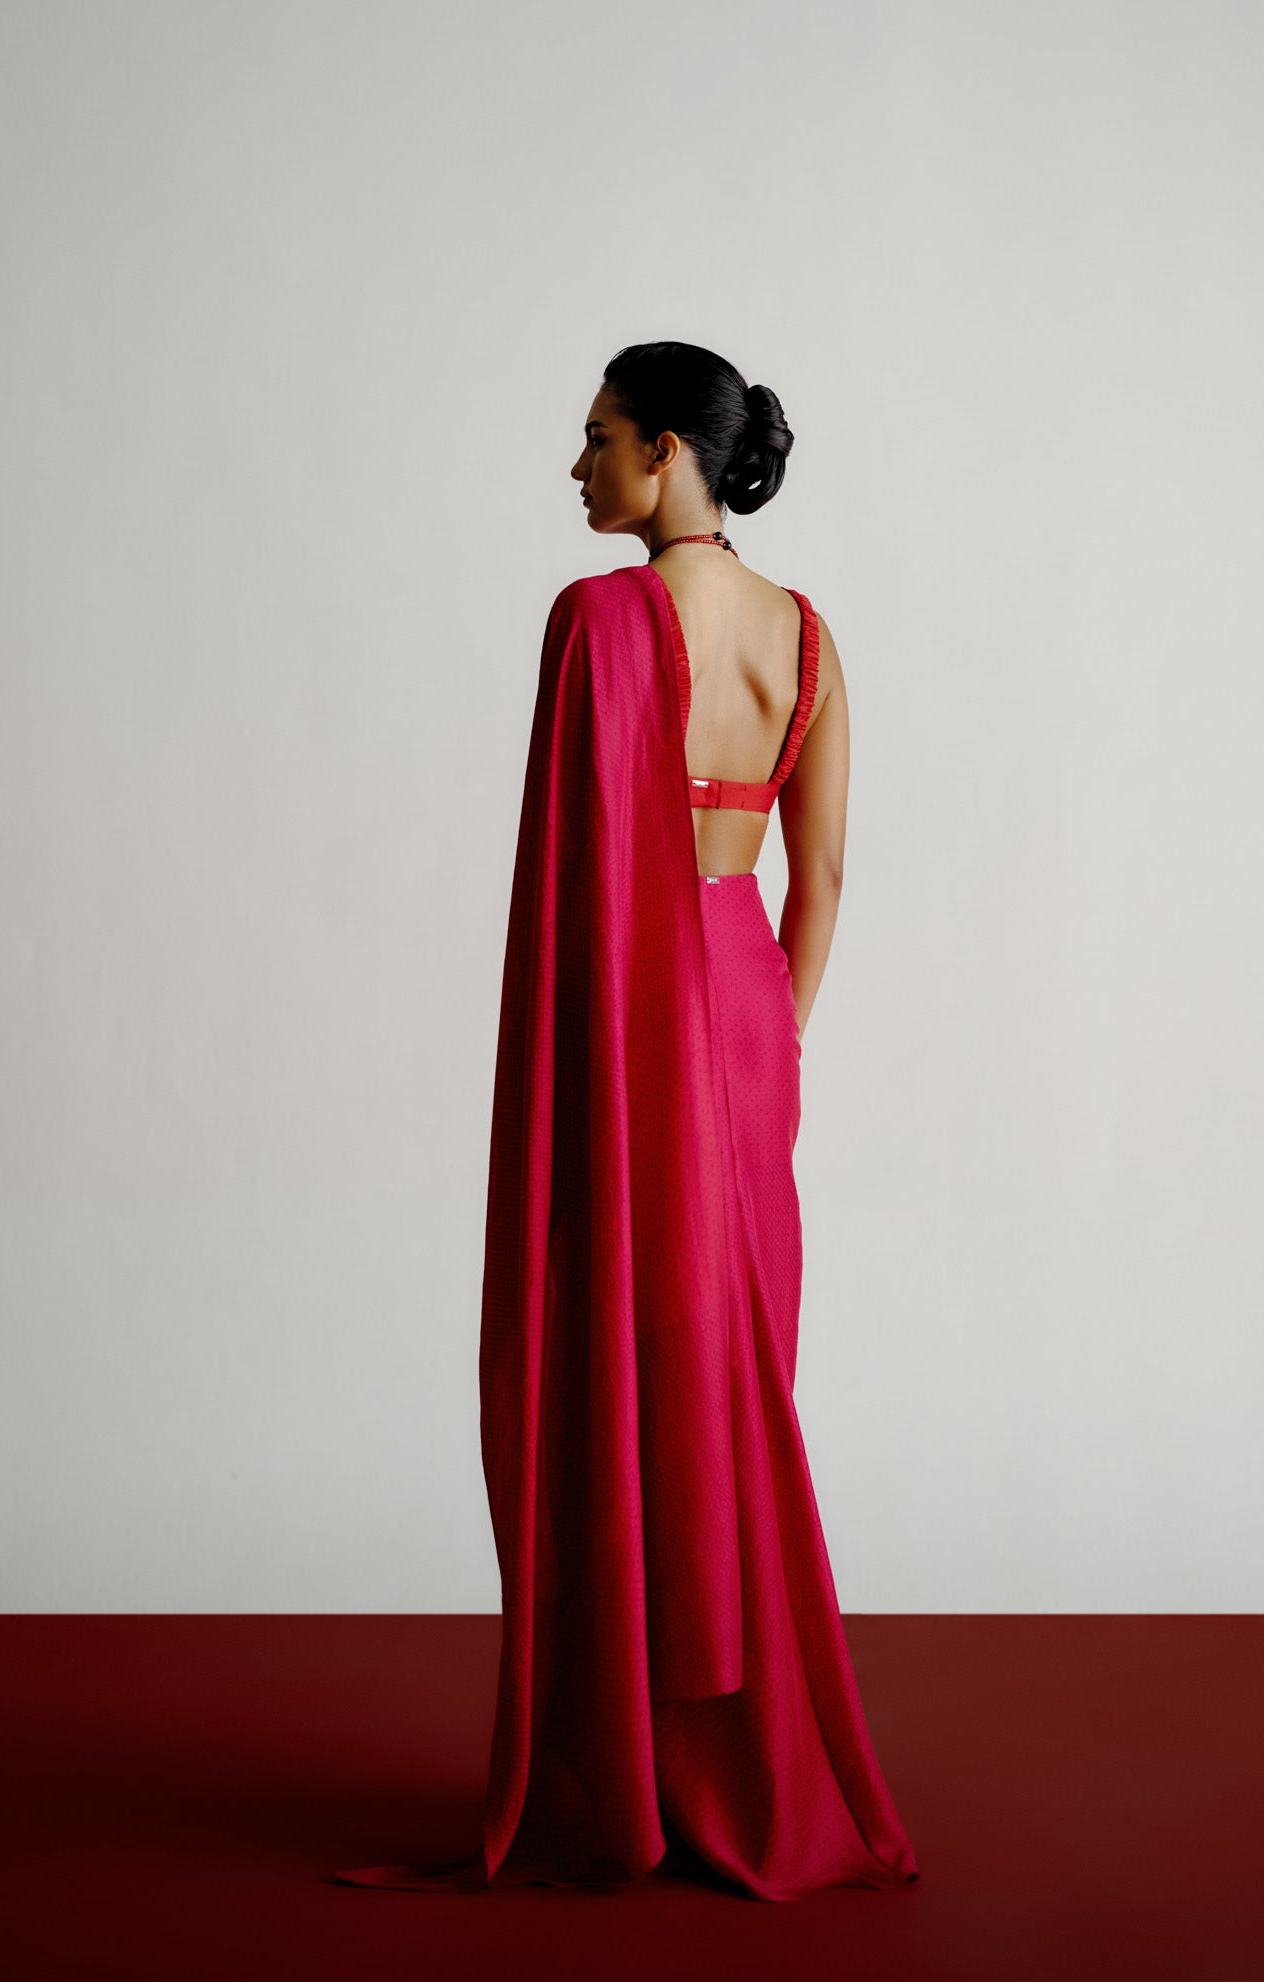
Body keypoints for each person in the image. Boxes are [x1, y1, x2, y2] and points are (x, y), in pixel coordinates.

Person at [333, 342, 918, 1901]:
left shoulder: (599, 621)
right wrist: (768, 1044)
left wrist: (628, 1052)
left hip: (632, 1025)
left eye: (598, 438)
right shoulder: (809, 637)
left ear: (669, 451)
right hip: (745, 1013)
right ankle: (729, 1753)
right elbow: (822, 878)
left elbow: (577, 890)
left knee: (619, 1371)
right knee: (732, 1381)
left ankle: (638, 1766)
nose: (578, 467)